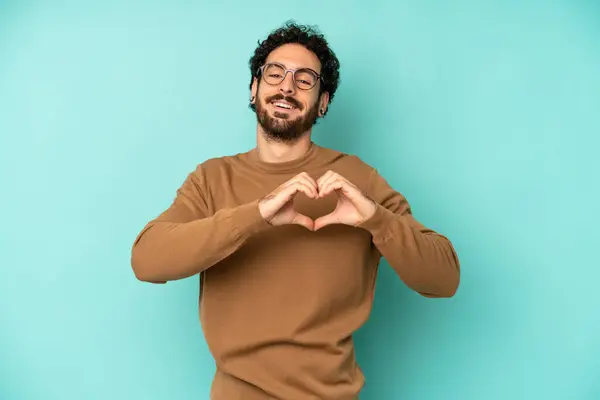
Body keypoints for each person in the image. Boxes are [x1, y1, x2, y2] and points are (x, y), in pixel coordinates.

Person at [130, 21, 460, 400]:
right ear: (254, 89)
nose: (287, 86)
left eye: (305, 80)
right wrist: (257, 215)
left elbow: (444, 278)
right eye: (275, 73)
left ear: (322, 103)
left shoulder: (358, 180)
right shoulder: (212, 178)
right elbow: (147, 260)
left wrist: (376, 220)